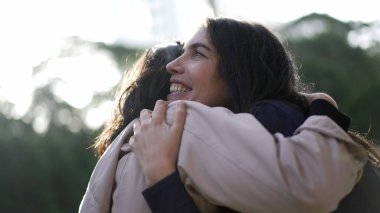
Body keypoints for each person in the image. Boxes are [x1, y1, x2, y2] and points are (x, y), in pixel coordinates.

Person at [79, 19, 369, 213]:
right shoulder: (176, 125)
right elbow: (313, 182)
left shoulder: (147, 140)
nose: (173, 67)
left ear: (237, 72)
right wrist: (324, 108)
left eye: (197, 54)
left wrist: (162, 175)